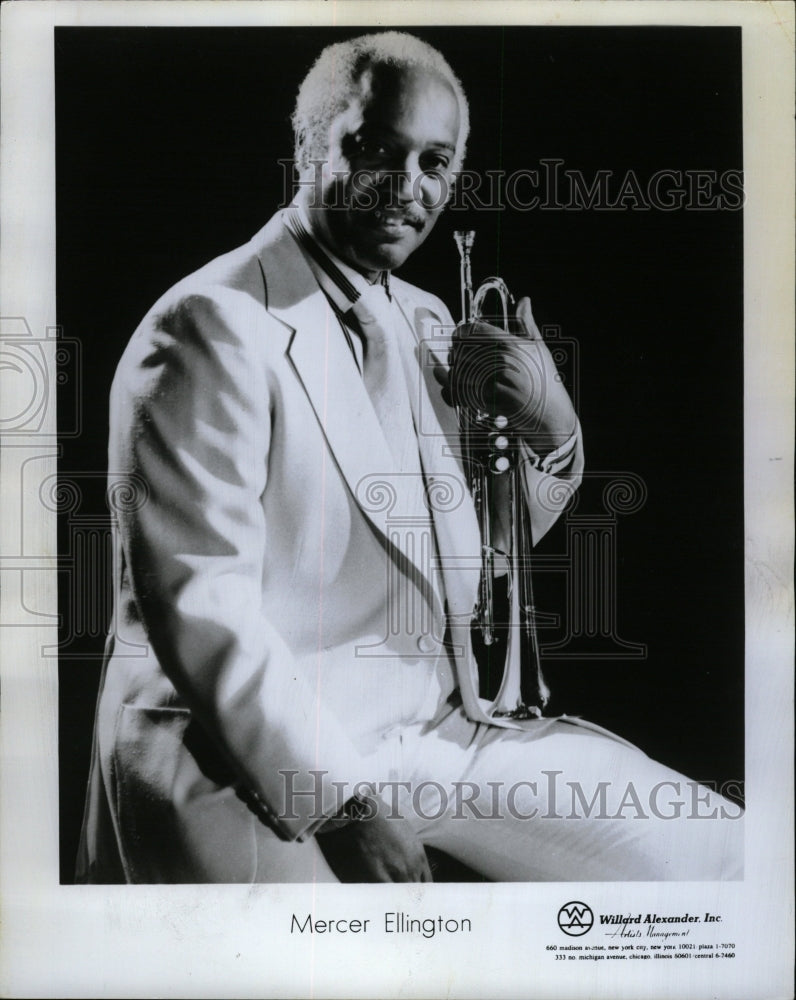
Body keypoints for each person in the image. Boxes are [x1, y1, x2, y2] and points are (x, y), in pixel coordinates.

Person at [77, 31, 742, 883]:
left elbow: (479, 555)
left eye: (434, 162)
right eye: (375, 150)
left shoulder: (428, 317)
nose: (406, 188)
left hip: (433, 733)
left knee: (729, 854)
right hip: (242, 755)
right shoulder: (211, 324)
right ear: (311, 146)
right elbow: (202, 605)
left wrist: (555, 434)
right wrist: (342, 805)